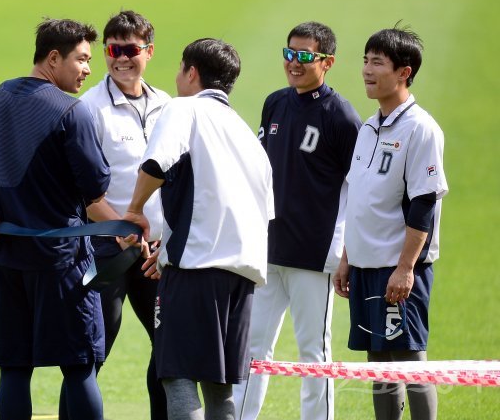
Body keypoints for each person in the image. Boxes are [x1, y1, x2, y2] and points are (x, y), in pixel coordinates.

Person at [0, 19, 110, 420]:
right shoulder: (71, 111)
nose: (87, 69)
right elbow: (95, 189)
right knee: (79, 367)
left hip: (6, 259)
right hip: (64, 262)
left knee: (13, 370)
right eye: (81, 59)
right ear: (53, 58)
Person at [123, 38, 274, 420]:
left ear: (191, 73)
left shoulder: (183, 108)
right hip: (242, 276)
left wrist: (135, 210)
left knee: (177, 376)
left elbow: (155, 165)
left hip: (196, 271)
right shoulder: (246, 133)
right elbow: (260, 212)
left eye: (180, 68)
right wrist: (172, 246)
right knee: (219, 390)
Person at [233, 22, 362, 420]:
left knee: (314, 353)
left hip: (314, 256)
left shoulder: (341, 117)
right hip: (269, 251)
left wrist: (347, 253)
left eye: (305, 56)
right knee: (253, 348)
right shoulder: (275, 103)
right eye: (289, 53)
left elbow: (361, 190)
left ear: (327, 62)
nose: (294, 62)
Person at [333, 24, 448, 420]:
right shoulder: (369, 127)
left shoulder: (420, 128)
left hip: (397, 267)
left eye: (378, 62)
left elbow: (423, 203)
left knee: (410, 360)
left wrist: (405, 267)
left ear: (404, 72)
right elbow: (360, 200)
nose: (367, 70)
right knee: (379, 361)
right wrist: (347, 257)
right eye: (365, 60)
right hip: (366, 266)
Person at [59, 10, 170, 420]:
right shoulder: (89, 109)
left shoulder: (167, 106)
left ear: (149, 52)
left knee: (168, 351)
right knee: (91, 352)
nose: (120, 59)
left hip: (156, 253)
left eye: (130, 50)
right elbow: (82, 190)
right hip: (104, 250)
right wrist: (121, 229)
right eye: (112, 50)